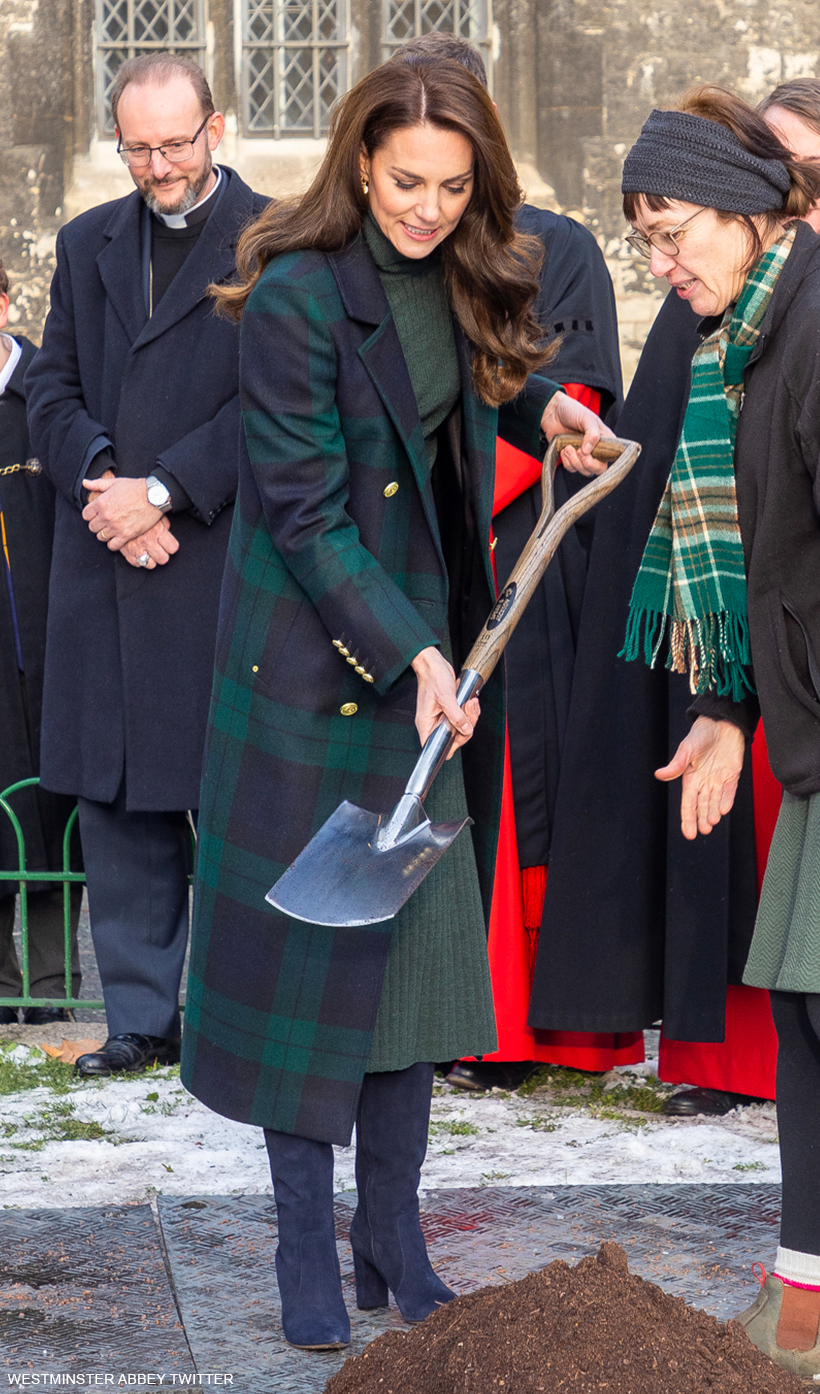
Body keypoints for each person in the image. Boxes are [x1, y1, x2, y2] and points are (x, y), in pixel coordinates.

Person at [180, 56, 610, 1351]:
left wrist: (553, 415)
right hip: (319, 669)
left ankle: (395, 1237)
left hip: (430, 659)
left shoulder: (467, 268)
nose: (427, 206)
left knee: (414, 978)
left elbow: (476, 379)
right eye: (406, 180)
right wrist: (416, 654)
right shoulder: (293, 296)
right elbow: (306, 519)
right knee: (312, 975)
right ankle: (305, 1243)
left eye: (453, 183)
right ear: (359, 164)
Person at [620, 85, 820, 1378]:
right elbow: (772, 560)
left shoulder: (812, 328)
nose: (660, 258)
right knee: (805, 1010)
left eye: (673, 225)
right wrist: (733, 711)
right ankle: (805, 1301)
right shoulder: (746, 342)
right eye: (641, 236)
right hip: (806, 735)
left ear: (749, 208)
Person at [392, 33, 632, 1093]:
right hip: (412, 557)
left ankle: (518, 1026)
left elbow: (575, 400)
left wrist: (467, 488)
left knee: (520, 782)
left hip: (521, 548)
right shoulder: (391, 256)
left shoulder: (557, 244)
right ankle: (434, 1006)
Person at [25, 54, 267, 1076]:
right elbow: (51, 384)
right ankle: (137, 1015)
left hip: (214, 555)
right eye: (139, 148)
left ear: (217, 128)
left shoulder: (278, 241)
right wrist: (102, 482)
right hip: (107, 555)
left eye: (175, 144)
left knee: (234, 795)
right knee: (121, 800)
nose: (159, 167)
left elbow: (277, 401)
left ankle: (242, 1009)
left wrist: (161, 492)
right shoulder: (85, 244)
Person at [0, 256, 81, 1024]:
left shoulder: (46, 394)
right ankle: (2, 978)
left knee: (58, 806)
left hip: (56, 638)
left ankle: (54, 983)